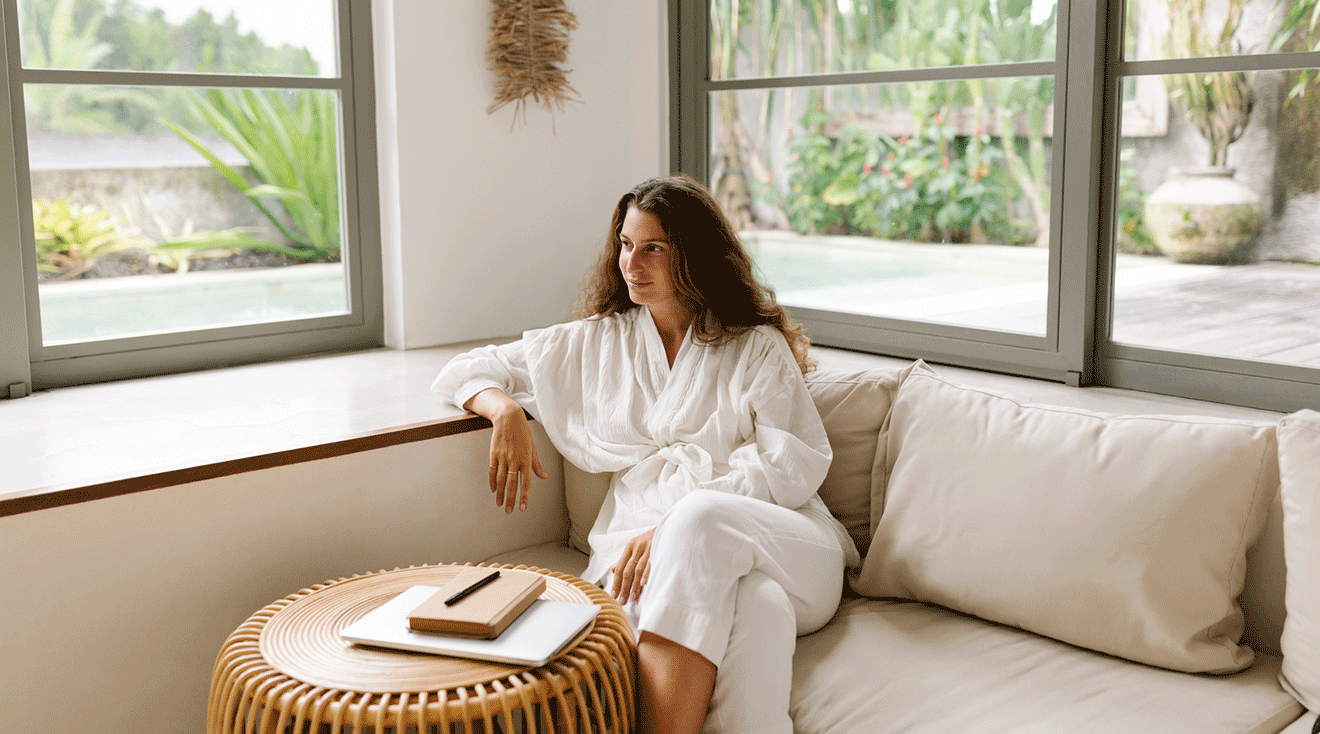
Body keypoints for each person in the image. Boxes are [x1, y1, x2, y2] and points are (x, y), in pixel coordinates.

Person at [431, 174, 858, 734]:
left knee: (702, 520)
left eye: (653, 247)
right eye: (626, 246)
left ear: (695, 256)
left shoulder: (754, 346)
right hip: (644, 562)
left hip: (787, 543)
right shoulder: (601, 341)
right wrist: (505, 412)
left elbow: (792, 464)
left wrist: (677, 527)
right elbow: (466, 369)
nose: (632, 264)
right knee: (759, 608)